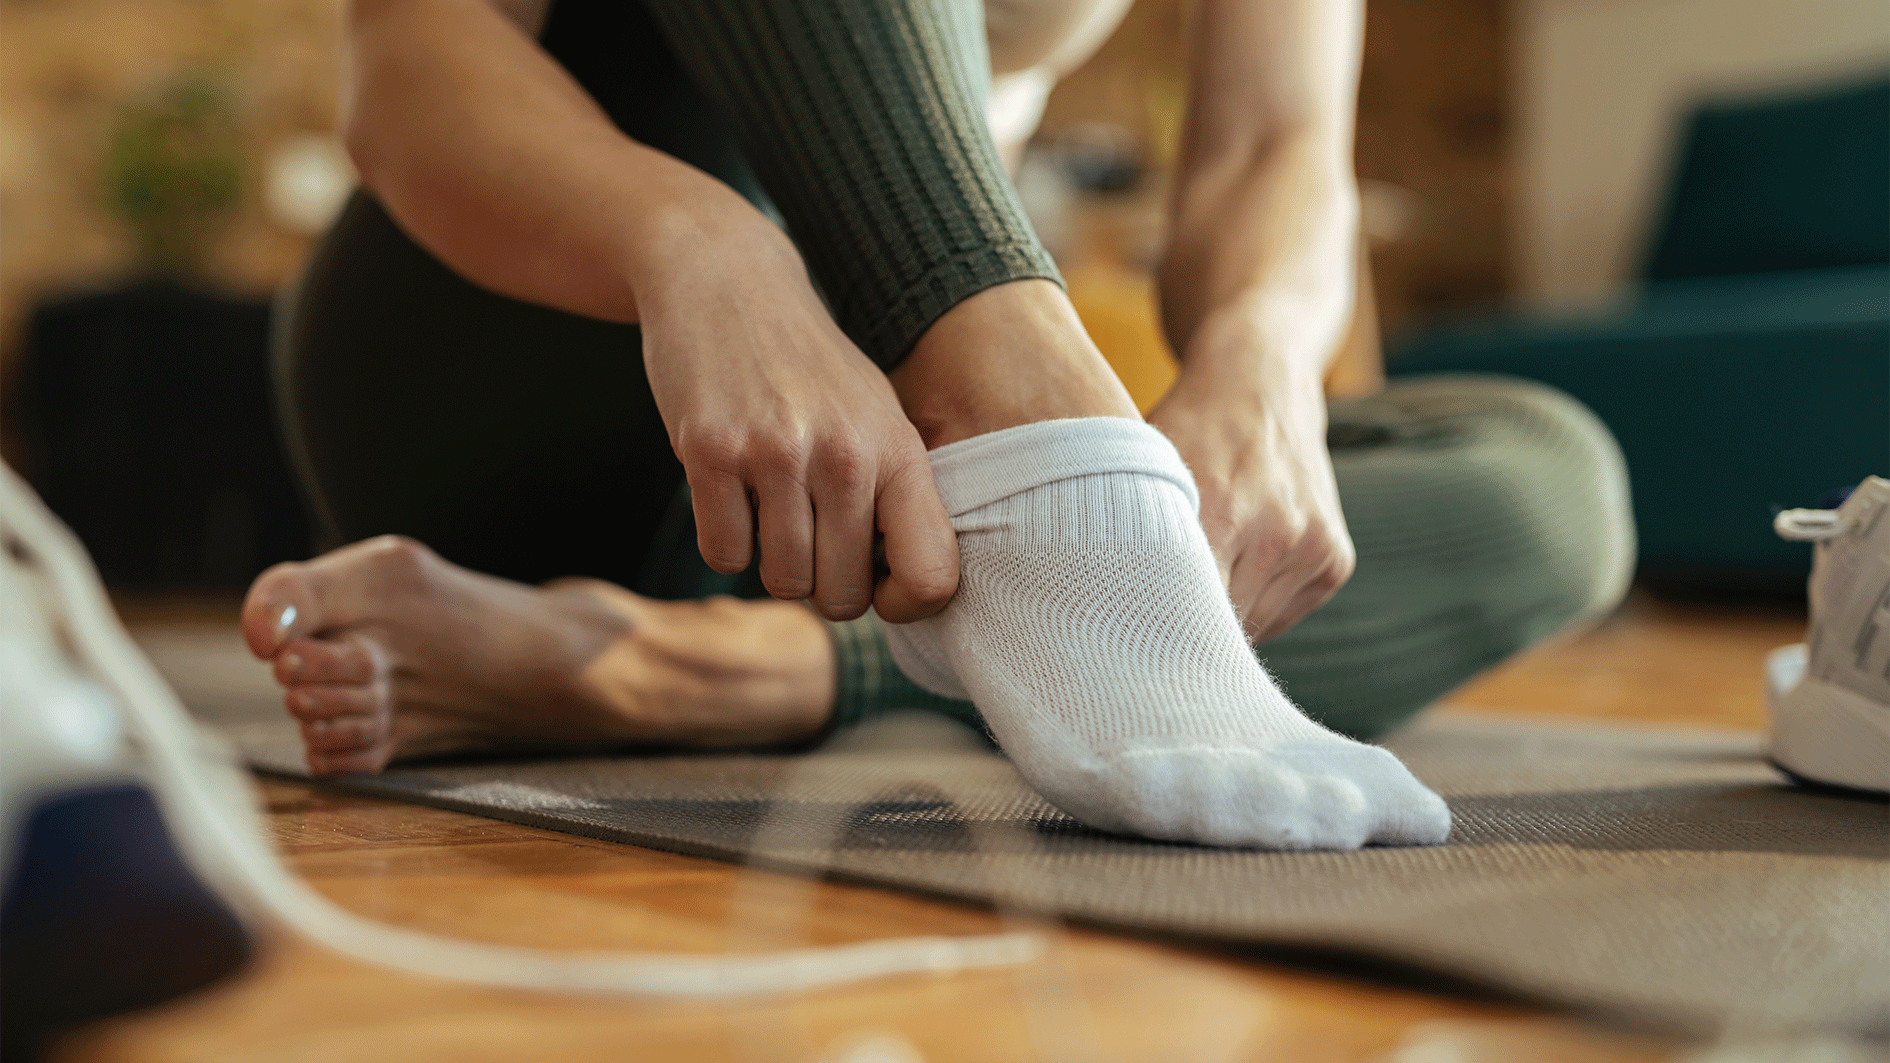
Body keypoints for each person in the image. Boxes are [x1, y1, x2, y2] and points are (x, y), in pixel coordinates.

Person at [240, 0, 1633, 849]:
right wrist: (702, 251)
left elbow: (1275, 142)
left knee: (1549, 482)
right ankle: (1035, 440)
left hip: (894, 501)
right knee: (1046, 459)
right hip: (549, 336)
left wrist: (1259, 359)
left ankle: (696, 668)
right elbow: (413, 54)